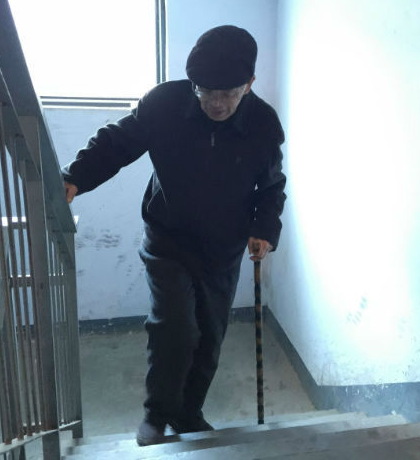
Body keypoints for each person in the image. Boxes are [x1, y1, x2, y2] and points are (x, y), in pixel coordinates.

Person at [61, 25, 286, 446]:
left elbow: (271, 186)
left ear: (250, 84)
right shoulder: (163, 104)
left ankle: (188, 413)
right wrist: (76, 176)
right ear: (192, 82)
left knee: (210, 338)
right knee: (176, 329)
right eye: (206, 91)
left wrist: (264, 228)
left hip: (223, 249)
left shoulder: (263, 124)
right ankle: (157, 415)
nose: (216, 103)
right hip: (169, 240)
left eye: (229, 93)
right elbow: (118, 142)